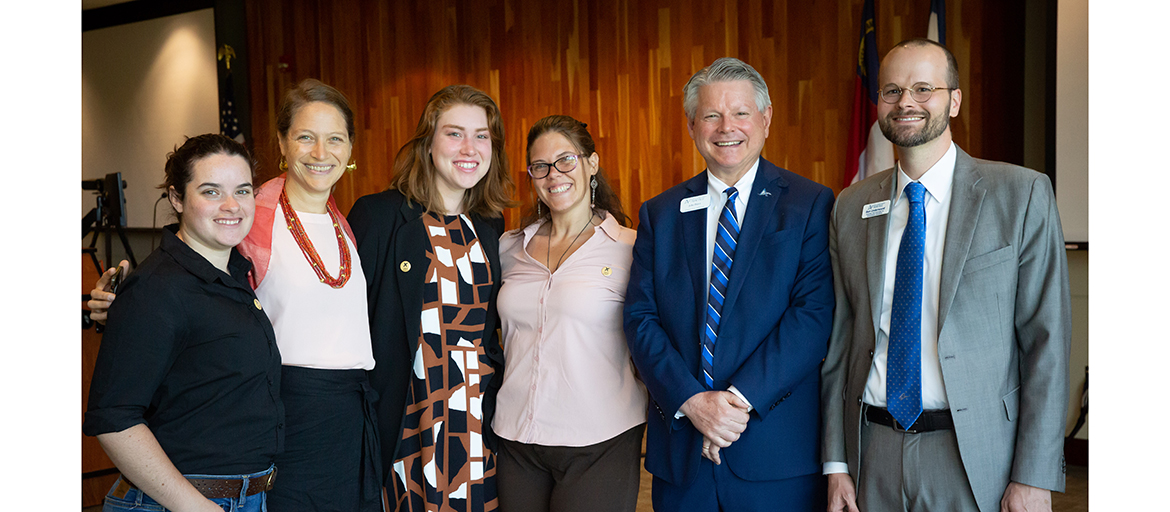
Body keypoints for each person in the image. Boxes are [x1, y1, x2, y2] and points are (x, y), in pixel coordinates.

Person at [89, 79, 383, 512]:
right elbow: (188, 277)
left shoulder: (346, 221)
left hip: (348, 422)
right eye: (305, 137)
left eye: (334, 138)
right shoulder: (252, 219)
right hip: (284, 422)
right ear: (282, 144)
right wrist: (120, 299)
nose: (321, 152)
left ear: (351, 147)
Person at [820, 38, 1070, 512]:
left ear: (954, 100)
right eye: (892, 90)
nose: (906, 102)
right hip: (872, 450)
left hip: (977, 457)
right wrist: (837, 464)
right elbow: (840, 344)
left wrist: (1034, 475)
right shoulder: (850, 207)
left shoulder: (1021, 194)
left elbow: (1047, 343)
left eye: (923, 88)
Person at [623, 57, 835, 511]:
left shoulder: (810, 204)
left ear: (766, 118)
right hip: (683, 455)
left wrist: (733, 405)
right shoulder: (659, 214)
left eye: (740, 112)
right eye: (711, 115)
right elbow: (641, 320)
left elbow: (812, 317)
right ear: (691, 124)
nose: (727, 127)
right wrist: (694, 403)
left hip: (774, 455)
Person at [84, 134, 281, 512]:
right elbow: (114, 420)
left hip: (244, 498)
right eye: (211, 192)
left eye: (242, 191)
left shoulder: (238, 275)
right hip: (182, 502)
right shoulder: (156, 289)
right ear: (177, 198)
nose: (231, 206)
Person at [347, 84, 516, 512]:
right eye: (454, 133)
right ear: (427, 142)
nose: (470, 147)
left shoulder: (490, 224)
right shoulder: (380, 216)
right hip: (408, 420)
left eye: (482, 136)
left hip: (475, 422)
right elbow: (351, 325)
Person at [493, 115, 648, 512]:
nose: (553, 175)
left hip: (599, 440)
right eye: (540, 166)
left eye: (566, 160)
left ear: (591, 164)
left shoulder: (631, 248)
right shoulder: (509, 247)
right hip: (516, 437)